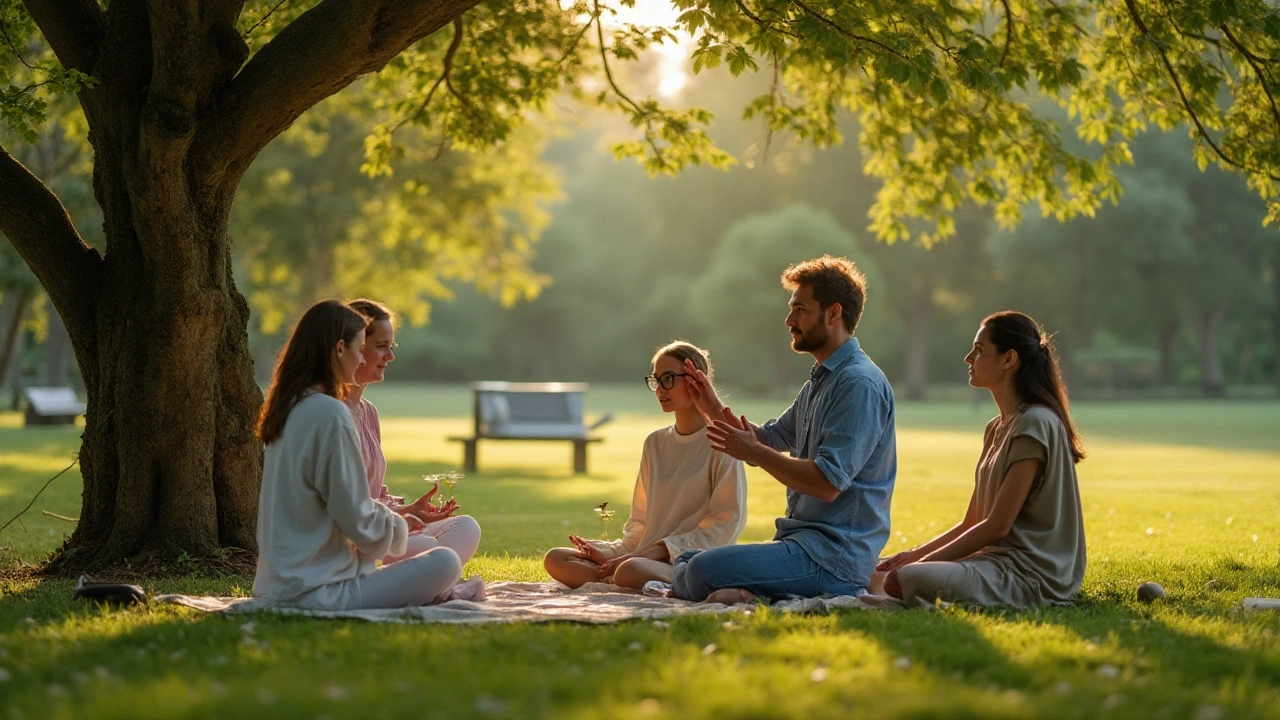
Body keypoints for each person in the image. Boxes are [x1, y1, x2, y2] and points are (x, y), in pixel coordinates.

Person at [673, 255, 896, 603]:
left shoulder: (858, 384)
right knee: (692, 559)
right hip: (800, 546)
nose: (789, 320)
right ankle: (736, 588)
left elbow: (826, 483)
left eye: (800, 309)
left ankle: (722, 586)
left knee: (700, 568)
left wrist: (756, 454)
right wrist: (710, 407)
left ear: (833, 313)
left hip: (832, 560)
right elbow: (771, 439)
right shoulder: (823, 381)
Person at [253, 300, 461, 609]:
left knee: (442, 552)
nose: (363, 358)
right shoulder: (330, 413)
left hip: (279, 586)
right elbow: (355, 516)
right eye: (360, 349)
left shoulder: (290, 407)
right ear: (340, 349)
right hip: (318, 592)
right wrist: (399, 526)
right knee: (446, 561)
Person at [872, 311, 1087, 608]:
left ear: (1009, 359)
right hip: (990, 562)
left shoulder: (1036, 423)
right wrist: (913, 555)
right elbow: (972, 522)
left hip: (1028, 574)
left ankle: (901, 587)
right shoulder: (996, 427)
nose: (968, 358)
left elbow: (997, 527)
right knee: (874, 573)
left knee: (907, 578)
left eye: (979, 350)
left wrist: (914, 567)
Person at [543, 341, 748, 590]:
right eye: (656, 380)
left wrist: (649, 555)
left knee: (631, 569)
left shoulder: (723, 443)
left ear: (696, 379)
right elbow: (640, 525)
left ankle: (637, 579)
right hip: (641, 560)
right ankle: (620, 580)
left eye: (669, 379)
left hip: (690, 560)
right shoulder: (655, 443)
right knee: (556, 558)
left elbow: (724, 527)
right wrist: (608, 551)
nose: (660, 389)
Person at [345, 299, 482, 567]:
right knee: (431, 549)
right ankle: (430, 580)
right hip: (360, 539)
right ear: (355, 348)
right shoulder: (331, 415)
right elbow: (350, 507)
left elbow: (376, 495)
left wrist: (410, 511)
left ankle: (427, 578)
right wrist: (399, 521)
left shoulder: (368, 412)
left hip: (385, 525)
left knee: (466, 527)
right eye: (381, 347)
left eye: (391, 347)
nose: (390, 357)